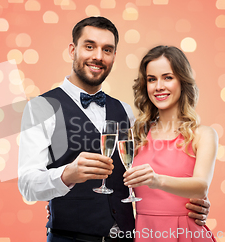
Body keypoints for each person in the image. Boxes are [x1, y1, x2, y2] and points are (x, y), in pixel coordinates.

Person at [18, 17, 210, 242]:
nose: (98, 56)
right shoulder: (40, 108)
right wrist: (66, 174)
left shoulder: (125, 112)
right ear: (72, 50)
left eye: (107, 49)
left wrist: (193, 204)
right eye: (89, 46)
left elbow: (157, 167)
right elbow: (28, 185)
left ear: (113, 56)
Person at [123, 45, 218, 241]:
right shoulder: (136, 135)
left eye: (168, 77)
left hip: (186, 233)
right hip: (144, 233)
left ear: (182, 81)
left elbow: (201, 186)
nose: (159, 86)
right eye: (152, 79)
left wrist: (156, 180)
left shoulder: (203, 135)